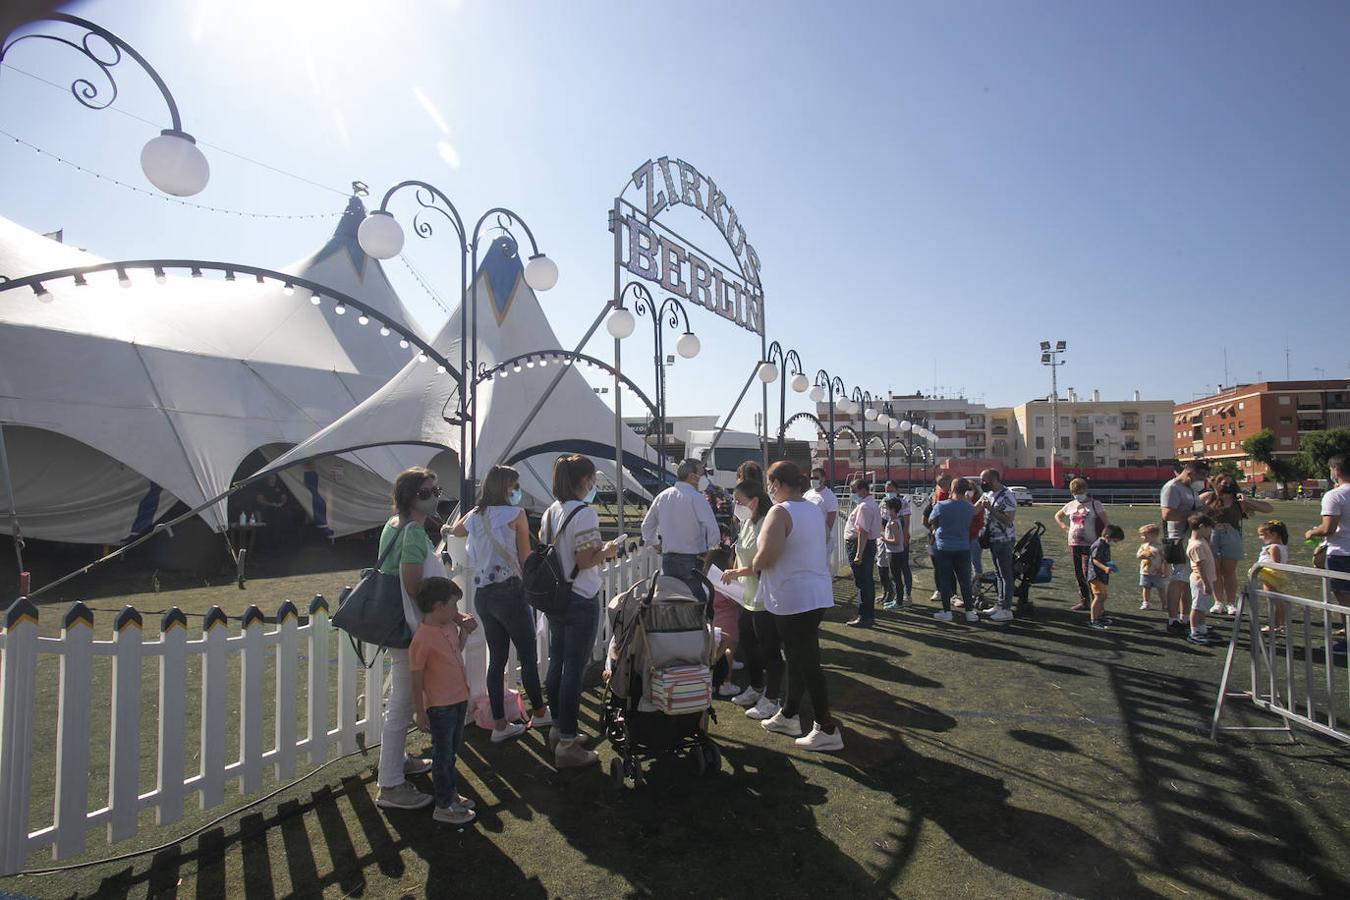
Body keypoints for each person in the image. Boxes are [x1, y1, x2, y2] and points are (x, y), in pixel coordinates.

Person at [376, 468, 477, 812]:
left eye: (435, 489)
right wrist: (445, 614)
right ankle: (389, 785)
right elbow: (412, 585)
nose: (434, 496)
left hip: (403, 627)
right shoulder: (414, 533)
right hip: (415, 631)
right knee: (402, 706)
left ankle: (398, 763)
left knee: (399, 704)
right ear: (408, 498)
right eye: (426, 492)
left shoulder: (394, 525)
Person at [449, 464, 547, 742]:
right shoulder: (516, 514)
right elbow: (525, 557)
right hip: (511, 591)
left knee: (497, 658)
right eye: (515, 486)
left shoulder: (475, 516)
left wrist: (477, 511)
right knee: (527, 654)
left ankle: (500, 725)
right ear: (506, 488)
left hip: (484, 595)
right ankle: (539, 712)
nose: (518, 491)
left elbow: (456, 530)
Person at [752, 460, 844, 752]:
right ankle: (790, 714)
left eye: (770, 483)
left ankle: (826, 726)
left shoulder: (779, 511)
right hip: (814, 594)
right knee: (798, 657)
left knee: (806, 662)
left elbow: (765, 557)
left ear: (776, 484)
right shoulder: (813, 509)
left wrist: (752, 564)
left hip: (793, 597)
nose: (769, 489)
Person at [541, 454, 621, 767]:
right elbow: (585, 559)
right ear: (583, 481)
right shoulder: (584, 514)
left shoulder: (550, 512)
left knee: (557, 662)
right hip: (581, 596)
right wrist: (608, 550)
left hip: (557, 597)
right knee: (573, 669)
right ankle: (568, 742)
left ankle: (560, 728)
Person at [410, 577, 476, 825]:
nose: (457, 612)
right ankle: (443, 805)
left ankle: (450, 793)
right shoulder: (422, 639)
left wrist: (464, 633)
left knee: (451, 753)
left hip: (458, 699)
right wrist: (420, 711)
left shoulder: (447, 626)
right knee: (443, 755)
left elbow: (456, 651)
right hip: (440, 707)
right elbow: (416, 678)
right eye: (453, 606)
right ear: (438, 606)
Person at [722, 479, 779, 718]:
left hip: (764, 595)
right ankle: (756, 686)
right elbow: (740, 552)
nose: (735, 505)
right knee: (748, 644)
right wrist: (735, 574)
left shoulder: (767, 523)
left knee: (769, 648)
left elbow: (763, 562)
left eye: (739, 501)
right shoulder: (746, 522)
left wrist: (736, 573)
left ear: (754, 501)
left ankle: (773, 696)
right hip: (745, 594)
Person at [642, 458, 720, 604]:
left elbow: (646, 526)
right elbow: (713, 529)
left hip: (668, 558)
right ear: (692, 476)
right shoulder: (697, 498)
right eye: (702, 474)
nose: (704, 478)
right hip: (693, 559)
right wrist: (709, 551)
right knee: (697, 602)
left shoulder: (663, 496)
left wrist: (655, 543)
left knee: (671, 601)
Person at [1199, 474, 1273, 615]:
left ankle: (1231, 603)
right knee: (1215, 570)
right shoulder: (1209, 497)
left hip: (1231, 534)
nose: (1226, 485)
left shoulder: (1238, 500)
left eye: (1229, 483)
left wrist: (1247, 501)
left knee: (1229, 571)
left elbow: (1268, 508)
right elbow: (1194, 506)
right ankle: (1218, 602)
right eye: (1223, 482)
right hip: (1212, 533)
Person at [1306, 454, 1350, 653]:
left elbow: (1328, 528)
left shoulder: (1335, 495)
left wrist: (1312, 532)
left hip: (1342, 553)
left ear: (1336, 471)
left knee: (1345, 601)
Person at [1161, 460, 1209, 635]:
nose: (1203, 480)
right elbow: (1167, 514)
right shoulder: (1172, 487)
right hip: (1177, 539)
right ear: (1190, 473)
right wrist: (1195, 515)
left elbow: (1195, 509)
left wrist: (1207, 511)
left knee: (1187, 580)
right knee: (1178, 578)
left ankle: (1185, 618)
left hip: (1190, 538)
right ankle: (1172, 620)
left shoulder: (1191, 489)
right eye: (1201, 476)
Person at [1055, 478, 1110, 613]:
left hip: (1091, 544)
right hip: (1074, 544)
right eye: (1074, 492)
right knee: (1078, 573)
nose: (1077, 495)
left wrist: (1104, 539)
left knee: (1089, 573)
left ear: (1085, 490)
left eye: (1079, 491)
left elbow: (1106, 522)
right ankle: (1084, 601)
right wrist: (1064, 527)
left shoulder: (1095, 504)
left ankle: (1096, 602)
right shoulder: (1071, 505)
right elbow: (1058, 515)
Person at [929, 478, 977, 623]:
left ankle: (947, 611)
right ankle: (969, 611)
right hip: (963, 547)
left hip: (943, 547)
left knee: (945, 580)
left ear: (952, 488)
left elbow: (931, 521)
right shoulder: (969, 507)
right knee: (965, 581)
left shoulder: (941, 505)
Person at [705, 533, 742, 698]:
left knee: (715, 652)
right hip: (730, 624)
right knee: (728, 652)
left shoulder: (707, 580)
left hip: (714, 623)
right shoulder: (727, 583)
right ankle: (726, 683)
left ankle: (712, 682)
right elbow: (737, 602)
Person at [977, 469, 1018, 622]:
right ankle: (1000, 604)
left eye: (984, 480)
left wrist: (990, 509)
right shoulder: (987, 494)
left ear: (994, 480)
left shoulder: (1007, 496)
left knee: (1006, 575)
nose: (982, 483)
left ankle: (1006, 609)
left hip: (1004, 540)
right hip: (992, 540)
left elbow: (1008, 520)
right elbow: (975, 509)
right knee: (998, 574)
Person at [843, 477, 881, 627]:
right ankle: (867, 614)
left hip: (860, 546)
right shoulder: (870, 504)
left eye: (854, 491)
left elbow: (863, 532)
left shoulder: (864, 506)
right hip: (866, 545)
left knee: (863, 582)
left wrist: (858, 553)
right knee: (866, 581)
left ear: (863, 490)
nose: (852, 494)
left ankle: (864, 615)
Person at [1186, 513, 1219, 645]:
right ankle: (1194, 631)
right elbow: (1199, 566)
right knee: (1197, 606)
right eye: (1209, 528)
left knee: (1202, 606)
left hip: (1206, 579)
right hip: (1200, 580)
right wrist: (1206, 584)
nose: (1210, 531)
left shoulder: (1201, 541)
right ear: (1201, 527)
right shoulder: (1196, 545)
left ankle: (1202, 628)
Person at [1085, 524, 1125, 630]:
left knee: (1103, 597)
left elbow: (1105, 558)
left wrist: (1110, 565)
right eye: (1114, 540)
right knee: (1098, 597)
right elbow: (1095, 560)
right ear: (1107, 536)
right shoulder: (1098, 545)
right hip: (1095, 576)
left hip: (1101, 575)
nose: (1114, 543)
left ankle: (1099, 616)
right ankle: (1093, 620)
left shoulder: (1105, 545)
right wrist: (1104, 568)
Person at [923, 473, 953, 601]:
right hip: (934, 539)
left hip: (952, 539)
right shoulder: (935, 500)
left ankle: (953, 593)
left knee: (951, 567)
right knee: (937, 566)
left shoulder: (957, 499)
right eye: (939, 485)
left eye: (944, 485)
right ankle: (939, 590)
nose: (941, 487)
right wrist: (934, 530)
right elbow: (925, 520)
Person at [1256, 519, 1290, 632]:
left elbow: (1274, 564)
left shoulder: (1274, 547)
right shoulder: (1280, 546)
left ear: (1274, 534)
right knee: (1276, 600)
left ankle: (1276, 624)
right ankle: (1280, 624)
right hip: (1272, 577)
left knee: (1274, 601)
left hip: (1271, 577)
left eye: (1262, 535)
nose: (1260, 538)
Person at [1136, 524, 1167, 611]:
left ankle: (1164, 603)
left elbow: (1164, 560)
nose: (1142, 537)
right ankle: (1146, 602)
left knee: (1161, 588)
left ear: (1153, 535)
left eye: (1144, 535)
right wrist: (1143, 554)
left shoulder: (1160, 547)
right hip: (1145, 571)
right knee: (1146, 587)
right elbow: (1138, 556)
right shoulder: (1144, 546)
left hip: (1158, 572)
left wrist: (1165, 571)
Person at [804, 466, 839, 542]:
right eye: (812, 478)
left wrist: (824, 538)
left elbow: (830, 520)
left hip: (823, 538)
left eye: (816, 478)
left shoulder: (830, 496)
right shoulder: (808, 494)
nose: (813, 480)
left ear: (823, 479)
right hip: (810, 536)